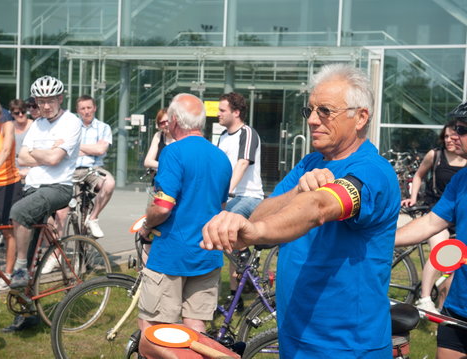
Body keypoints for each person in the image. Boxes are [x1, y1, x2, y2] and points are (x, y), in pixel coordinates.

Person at [202, 64, 400, 358]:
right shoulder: (310, 163)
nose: (313, 121)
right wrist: (295, 192)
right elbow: (259, 216)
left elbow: (319, 207)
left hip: (347, 347)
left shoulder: (373, 172)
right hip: (296, 337)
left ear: (361, 117)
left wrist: (256, 231)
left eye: (325, 111)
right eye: (310, 111)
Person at [137, 93, 231, 359]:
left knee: (154, 330)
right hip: (207, 253)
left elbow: (162, 207)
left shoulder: (173, 152)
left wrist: (146, 223)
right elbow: (221, 208)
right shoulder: (221, 158)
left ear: (175, 120)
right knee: (196, 331)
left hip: (171, 253)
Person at [396, 102, 467, 359]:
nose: (454, 135)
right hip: (458, 307)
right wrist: (380, 240)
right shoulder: (461, 180)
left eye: (461, 129)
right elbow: (430, 223)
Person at [8, 75, 81, 290]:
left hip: (58, 187)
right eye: (40, 101)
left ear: (60, 98)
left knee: (19, 212)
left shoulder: (71, 122)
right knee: (29, 248)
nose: (46, 106)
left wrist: (38, 154)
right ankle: (27, 312)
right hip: (32, 186)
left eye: (50, 100)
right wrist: (48, 151)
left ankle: (19, 267)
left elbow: (54, 159)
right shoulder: (37, 124)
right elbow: (22, 158)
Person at [401, 120, 466, 312]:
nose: (451, 139)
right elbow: (419, 175)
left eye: (459, 132)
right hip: (436, 209)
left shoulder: (463, 164)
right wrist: (413, 198)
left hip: (455, 216)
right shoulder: (436, 155)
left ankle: (441, 307)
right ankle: (425, 298)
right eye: (446, 136)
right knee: (442, 250)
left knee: (453, 266)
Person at [217, 92, 264, 310]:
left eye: (222, 110)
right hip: (231, 197)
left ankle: (248, 270)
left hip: (249, 196)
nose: (218, 114)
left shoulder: (247, 133)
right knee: (225, 239)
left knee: (222, 225)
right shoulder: (222, 137)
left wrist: (226, 192)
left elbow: (243, 163)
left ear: (236, 112)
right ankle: (236, 295)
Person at [55, 94, 115, 240]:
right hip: (72, 170)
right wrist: (91, 148)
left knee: (109, 183)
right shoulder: (71, 127)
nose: (86, 111)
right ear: (78, 110)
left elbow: (101, 150)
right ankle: (56, 251)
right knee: (61, 211)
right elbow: (61, 148)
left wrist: (75, 147)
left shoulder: (103, 127)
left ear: (94, 108)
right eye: (83, 108)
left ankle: (93, 218)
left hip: (93, 169)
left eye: (89, 107)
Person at [0, 98, 23, 291]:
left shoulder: (7, 126)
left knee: (8, 230)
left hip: (8, 183)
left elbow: (7, 148)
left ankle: (8, 274)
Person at [9, 99, 34, 179]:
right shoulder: (9, 127)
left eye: (23, 112)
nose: (20, 115)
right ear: (12, 114)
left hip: (30, 167)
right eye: (17, 113)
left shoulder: (34, 126)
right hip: (13, 169)